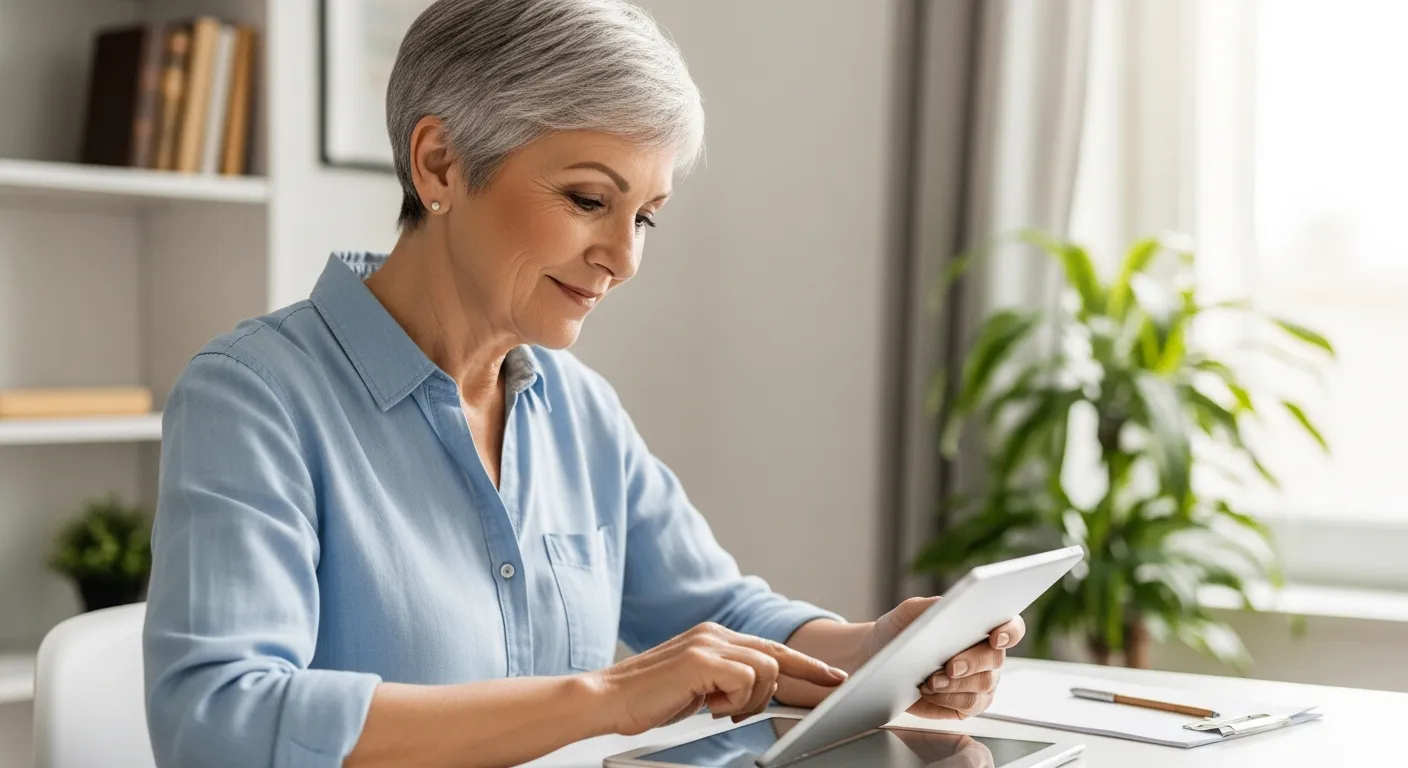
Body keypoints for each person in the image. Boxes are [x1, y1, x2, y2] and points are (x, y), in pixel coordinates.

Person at [141, 1, 1023, 766]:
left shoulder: (576, 408)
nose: (626, 257)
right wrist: (602, 697)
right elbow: (219, 720)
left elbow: (715, 609)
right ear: (441, 164)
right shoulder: (253, 398)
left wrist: (877, 648)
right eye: (589, 200)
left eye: (645, 216)